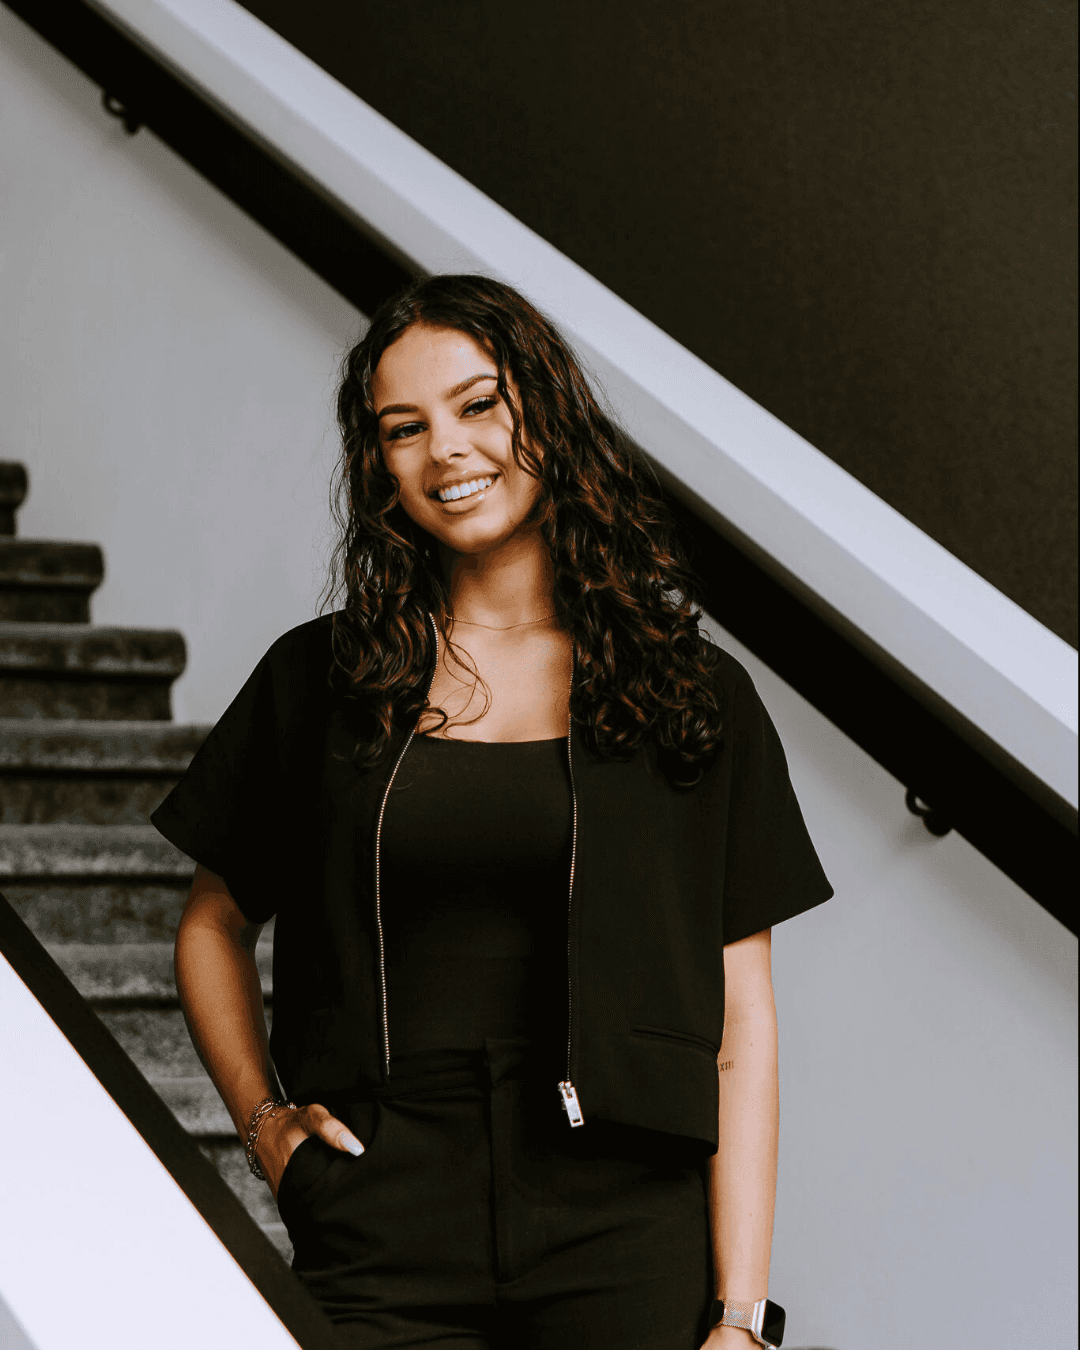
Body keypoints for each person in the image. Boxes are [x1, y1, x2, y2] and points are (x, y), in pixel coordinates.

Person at [152, 274, 832, 1350]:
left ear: (546, 414)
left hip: (622, 1218)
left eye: (479, 406)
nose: (446, 453)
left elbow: (740, 1025)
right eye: (403, 429)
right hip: (383, 1211)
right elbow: (211, 923)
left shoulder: (687, 692)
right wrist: (267, 1125)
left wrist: (741, 1317)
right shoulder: (321, 679)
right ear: (379, 465)